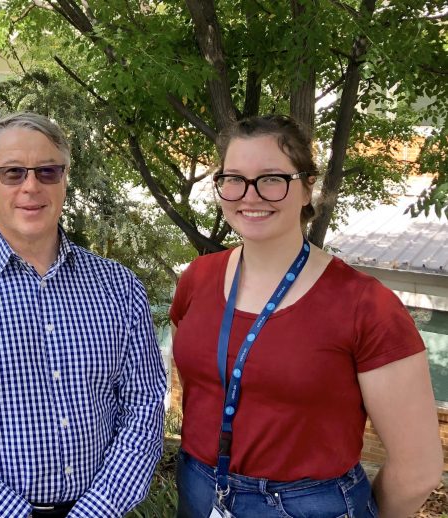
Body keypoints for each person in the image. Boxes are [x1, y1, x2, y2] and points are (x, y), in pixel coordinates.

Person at [170, 115, 442, 518]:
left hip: (307, 505)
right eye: (234, 178)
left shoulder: (365, 305)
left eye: (272, 178)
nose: (251, 195)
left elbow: (418, 469)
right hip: (199, 490)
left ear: (307, 187)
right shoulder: (198, 278)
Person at [0, 112, 167, 518]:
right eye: (12, 172)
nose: (31, 186)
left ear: (64, 181)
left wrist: (97, 510)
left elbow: (144, 406)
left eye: (47, 171)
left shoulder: (120, 288)